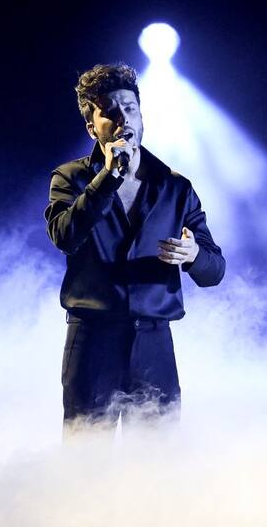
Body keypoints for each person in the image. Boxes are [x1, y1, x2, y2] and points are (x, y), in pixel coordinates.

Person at [45, 63, 225, 430]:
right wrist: (106, 178)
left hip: (154, 343)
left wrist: (193, 255)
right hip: (92, 340)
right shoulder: (71, 178)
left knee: (157, 455)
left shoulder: (175, 187)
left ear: (142, 116)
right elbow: (65, 236)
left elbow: (214, 270)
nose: (122, 118)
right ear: (92, 127)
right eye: (109, 112)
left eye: (129, 108)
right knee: (88, 454)